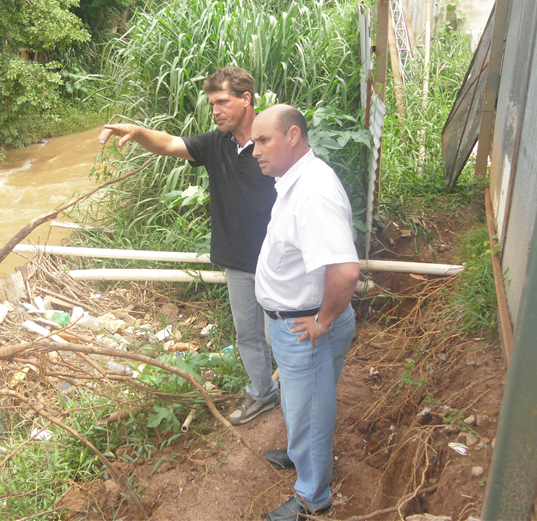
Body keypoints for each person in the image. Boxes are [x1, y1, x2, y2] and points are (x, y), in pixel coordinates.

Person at [98, 67, 280, 425]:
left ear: (246, 99)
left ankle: (298, 400)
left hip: (278, 262)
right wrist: (137, 133)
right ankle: (263, 394)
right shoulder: (216, 144)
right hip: (238, 262)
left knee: (282, 338)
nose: (215, 110)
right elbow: (168, 143)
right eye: (212, 103)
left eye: (222, 102)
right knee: (249, 335)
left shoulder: (272, 141)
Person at [251, 104, 360, 521]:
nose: (254, 149)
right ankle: (300, 457)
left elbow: (345, 270)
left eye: (264, 140)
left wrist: (322, 322)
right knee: (302, 405)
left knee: (311, 411)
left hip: (306, 327)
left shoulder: (312, 193)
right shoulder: (294, 180)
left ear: (293, 136)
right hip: (295, 323)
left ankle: (313, 497)